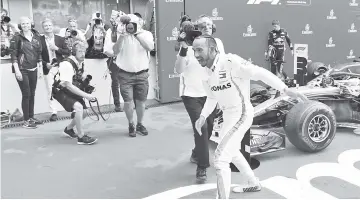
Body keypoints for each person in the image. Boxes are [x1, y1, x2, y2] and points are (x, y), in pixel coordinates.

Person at [192, 35, 307, 199]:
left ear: (212, 49)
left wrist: (284, 89)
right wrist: (202, 116)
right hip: (228, 116)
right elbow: (211, 98)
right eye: (194, 50)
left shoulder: (230, 62)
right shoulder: (204, 72)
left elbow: (259, 73)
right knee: (231, 152)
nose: (196, 55)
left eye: (199, 50)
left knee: (220, 160)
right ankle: (253, 183)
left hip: (242, 114)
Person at [174, 14, 224, 182]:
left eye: (209, 25)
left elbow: (221, 65)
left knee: (208, 128)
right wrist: (182, 47)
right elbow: (178, 70)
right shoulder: (188, 46)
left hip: (211, 93)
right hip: (191, 95)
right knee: (201, 128)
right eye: (202, 26)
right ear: (197, 30)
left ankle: (196, 153)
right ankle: (202, 166)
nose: (207, 28)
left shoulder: (218, 44)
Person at [113, 14, 154, 137]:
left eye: (133, 24)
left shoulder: (146, 34)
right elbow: (115, 51)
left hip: (142, 74)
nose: (130, 27)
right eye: (128, 24)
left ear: (139, 24)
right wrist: (122, 36)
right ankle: (131, 124)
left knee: (141, 102)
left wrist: (136, 35)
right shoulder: (121, 34)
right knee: (128, 102)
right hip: (125, 74)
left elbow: (150, 47)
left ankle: (140, 124)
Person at [52, 41, 97, 145]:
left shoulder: (80, 62)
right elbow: (67, 84)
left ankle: (68, 129)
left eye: (84, 51)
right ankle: (81, 137)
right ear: (73, 52)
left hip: (70, 90)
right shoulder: (66, 64)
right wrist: (86, 95)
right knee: (78, 108)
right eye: (80, 51)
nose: (83, 54)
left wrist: (84, 81)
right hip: (61, 90)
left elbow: (76, 78)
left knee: (85, 112)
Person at [10, 16, 44, 128]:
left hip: (33, 68)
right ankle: (26, 120)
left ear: (31, 24)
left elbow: (39, 53)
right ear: (20, 25)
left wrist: (40, 69)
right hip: (22, 69)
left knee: (32, 93)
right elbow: (13, 55)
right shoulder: (17, 37)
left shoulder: (36, 36)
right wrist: (17, 70)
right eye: (23, 24)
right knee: (26, 94)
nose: (25, 25)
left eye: (27, 23)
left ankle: (31, 117)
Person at [40, 18, 70, 121]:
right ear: (43, 28)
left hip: (60, 67)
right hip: (48, 68)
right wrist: (45, 64)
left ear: (52, 27)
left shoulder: (60, 39)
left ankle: (73, 109)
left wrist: (57, 49)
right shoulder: (40, 40)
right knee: (50, 89)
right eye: (45, 26)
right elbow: (37, 56)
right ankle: (53, 112)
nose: (48, 27)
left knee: (66, 87)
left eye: (49, 25)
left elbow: (67, 52)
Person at [103, 10, 123, 112]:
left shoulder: (126, 30)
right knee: (115, 82)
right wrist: (115, 55)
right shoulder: (110, 32)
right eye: (115, 18)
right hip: (114, 60)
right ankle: (117, 105)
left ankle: (136, 103)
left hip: (126, 60)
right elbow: (106, 50)